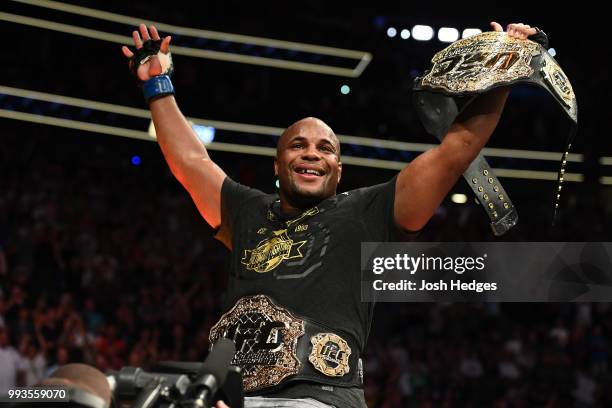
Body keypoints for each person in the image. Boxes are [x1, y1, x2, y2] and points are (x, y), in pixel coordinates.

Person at [122, 21, 539, 408]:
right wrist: (157, 85)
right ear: (277, 164)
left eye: (325, 149)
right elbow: (190, 161)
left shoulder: (367, 212)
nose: (311, 154)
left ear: (339, 171)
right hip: (232, 396)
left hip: (319, 398)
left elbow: (454, 152)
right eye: (297, 145)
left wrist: (504, 66)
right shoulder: (247, 210)